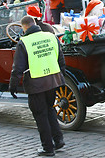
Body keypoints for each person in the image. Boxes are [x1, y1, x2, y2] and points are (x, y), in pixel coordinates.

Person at [9, 16, 65, 156]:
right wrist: (60, 79)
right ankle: (58, 140)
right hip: (53, 80)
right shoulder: (51, 36)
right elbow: (61, 59)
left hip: (36, 83)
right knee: (50, 109)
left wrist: (13, 86)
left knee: (41, 115)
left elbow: (18, 68)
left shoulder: (24, 42)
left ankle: (48, 148)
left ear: (24, 27)